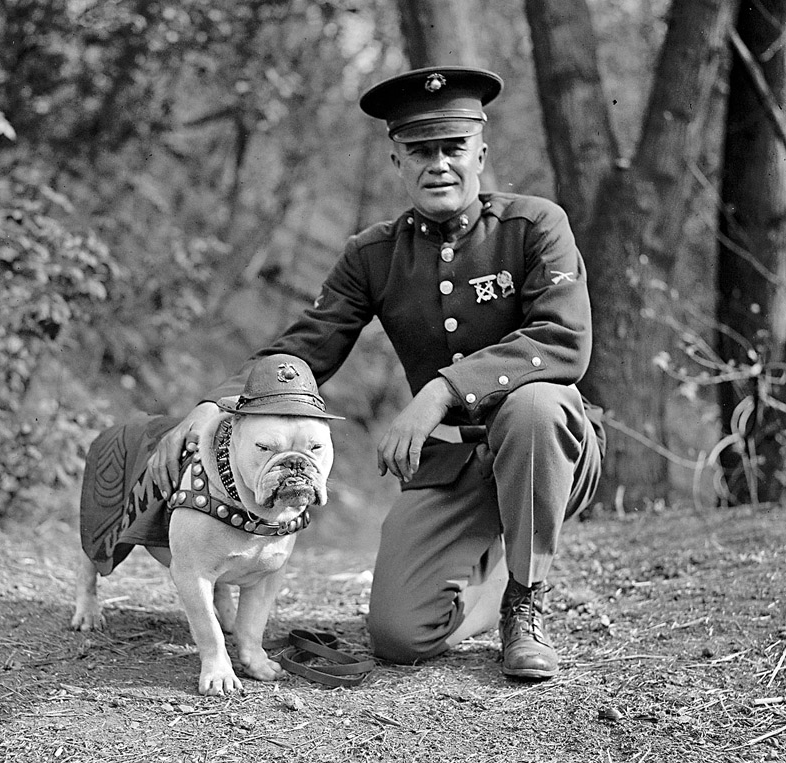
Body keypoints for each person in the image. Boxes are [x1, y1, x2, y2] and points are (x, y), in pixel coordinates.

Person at [147, 66, 605, 680]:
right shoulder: (374, 255)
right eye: (420, 150)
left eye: (453, 149)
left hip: (549, 451)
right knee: (399, 636)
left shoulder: (535, 226)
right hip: (458, 464)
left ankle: (526, 601)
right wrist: (222, 401)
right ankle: (494, 580)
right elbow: (306, 348)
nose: (438, 164)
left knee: (535, 407)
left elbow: (563, 341)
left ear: (481, 153)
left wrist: (441, 390)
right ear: (396, 159)